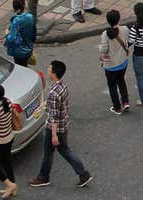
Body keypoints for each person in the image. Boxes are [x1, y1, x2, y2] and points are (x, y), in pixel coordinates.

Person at [31, 60, 95, 189]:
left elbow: (54, 116)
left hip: (54, 128)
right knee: (64, 150)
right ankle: (83, 174)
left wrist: (53, 135)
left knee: (49, 154)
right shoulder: (62, 87)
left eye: (49, 68)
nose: (47, 70)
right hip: (63, 125)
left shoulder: (54, 92)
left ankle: (43, 177)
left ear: (54, 73)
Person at [4, 0, 37, 67]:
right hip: (28, 48)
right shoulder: (30, 17)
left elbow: (12, 38)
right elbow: (34, 32)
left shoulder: (16, 21)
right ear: (24, 5)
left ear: (14, 9)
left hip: (19, 52)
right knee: (25, 65)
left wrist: (7, 34)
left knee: (20, 67)